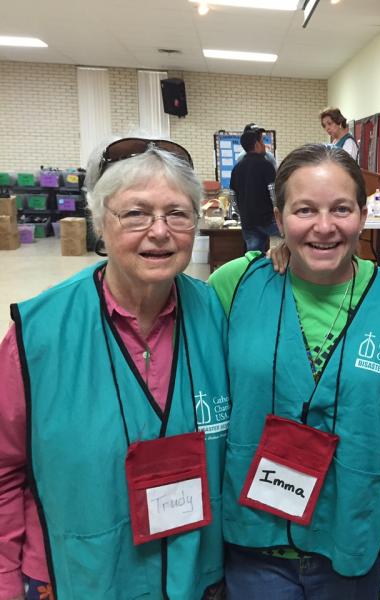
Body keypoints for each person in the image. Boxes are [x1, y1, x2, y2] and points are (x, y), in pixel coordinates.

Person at [0, 138, 229, 600]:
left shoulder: (214, 313)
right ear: (99, 222)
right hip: (78, 576)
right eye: (136, 214)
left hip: (192, 574)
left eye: (178, 214)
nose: (160, 231)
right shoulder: (38, 333)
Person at [208, 144, 380, 599]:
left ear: (363, 216)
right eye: (304, 209)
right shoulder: (236, 284)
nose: (324, 227)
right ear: (279, 215)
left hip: (349, 542)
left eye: (341, 209)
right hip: (254, 546)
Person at [230, 126, 278, 253]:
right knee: (293, 234)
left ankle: (254, 272)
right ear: (257, 144)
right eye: (262, 142)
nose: (264, 145)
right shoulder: (266, 165)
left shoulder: (237, 168)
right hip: (267, 220)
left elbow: (232, 195)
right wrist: (278, 212)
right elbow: (273, 191)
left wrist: (241, 215)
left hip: (248, 222)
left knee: (253, 256)